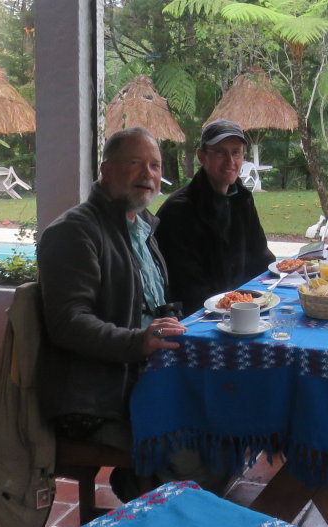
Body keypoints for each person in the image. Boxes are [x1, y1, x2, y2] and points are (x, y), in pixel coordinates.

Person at [37, 127, 186, 499]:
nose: (148, 175)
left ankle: (147, 491)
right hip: (96, 396)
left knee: (227, 410)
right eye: (135, 163)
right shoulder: (75, 232)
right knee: (196, 445)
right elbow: (68, 323)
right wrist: (139, 341)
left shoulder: (141, 228)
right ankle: (161, 514)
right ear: (106, 169)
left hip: (141, 377)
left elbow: (149, 305)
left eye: (154, 166)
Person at [155, 119, 276, 315]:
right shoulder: (179, 210)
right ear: (202, 156)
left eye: (236, 152)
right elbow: (187, 287)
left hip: (244, 310)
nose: (230, 161)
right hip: (198, 318)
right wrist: (235, 307)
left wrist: (272, 288)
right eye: (220, 152)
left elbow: (260, 258)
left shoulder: (242, 198)